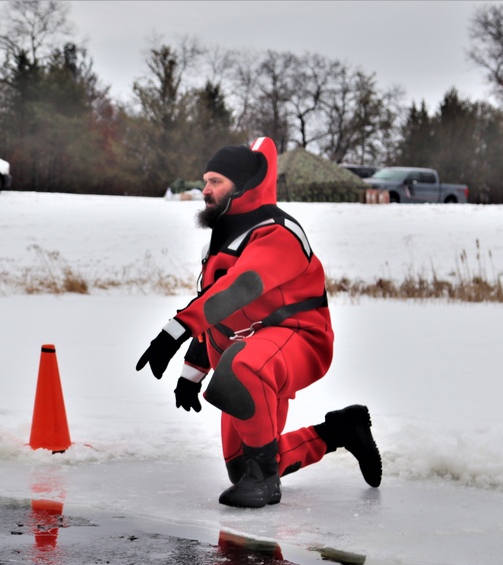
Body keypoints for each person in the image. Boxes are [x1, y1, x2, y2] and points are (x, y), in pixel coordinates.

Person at [135, 137, 382, 509]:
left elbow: (241, 288)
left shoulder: (278, 231)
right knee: (240, 466)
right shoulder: (218, 244)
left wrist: (174, 331)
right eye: (205, 181)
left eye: (215, 181)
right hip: (245, 351)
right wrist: (192, 373)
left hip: (297, 340)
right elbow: (217, 312)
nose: (205, 190)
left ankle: (265, 482)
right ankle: (339, 431)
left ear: (243, 185)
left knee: (241, 369)